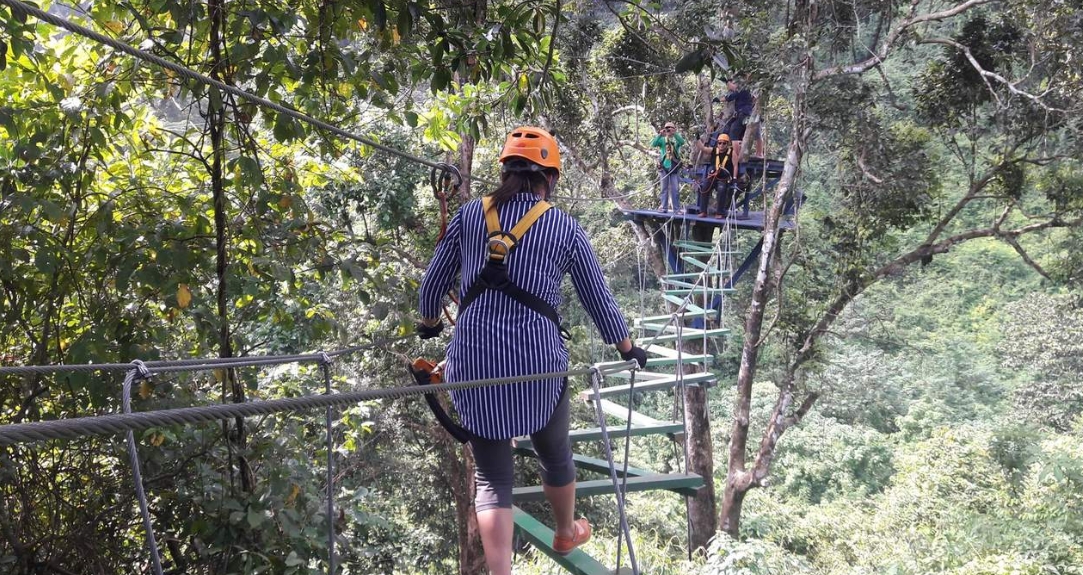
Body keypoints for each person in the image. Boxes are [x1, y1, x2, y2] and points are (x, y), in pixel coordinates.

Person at [417, 126, 648, 575]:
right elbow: (597, 297)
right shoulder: (565, 227)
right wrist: (627, 346)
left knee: (492, 479)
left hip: (473, 362)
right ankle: (566, 532)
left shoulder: (468, 216)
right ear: (551, 178)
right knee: (555, 453)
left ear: (504, 170)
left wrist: (428, 323)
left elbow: (432, 286)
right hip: (538, 365)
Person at [696, 133, 738, 217]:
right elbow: (702, 148)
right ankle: (703, 211)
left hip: (723, 178)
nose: (721, 145)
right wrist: (697, 139)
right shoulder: (714, 150)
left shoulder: (732, 153)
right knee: (704, 187)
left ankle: (719, 212)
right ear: (717, 143)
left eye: (724, 143)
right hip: (713, 176)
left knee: (721, 190)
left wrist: (734, 178)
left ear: (727, 144)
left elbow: (735, 165)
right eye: (720, 143)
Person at [649, 122, 686, 213]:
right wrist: (660, 135)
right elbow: (653, 144)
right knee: (664, 188)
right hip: (664, 167)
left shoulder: (676, 140)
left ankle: (676, 209)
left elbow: (682, 142)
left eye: (670, 128)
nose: (668, 129)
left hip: (674, 167)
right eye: (667, 128)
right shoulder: (662, 140)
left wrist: (675, 133)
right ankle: (664, 207)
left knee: (675, 189)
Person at [721, 77, 754, 142]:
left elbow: (729, 97)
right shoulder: (745, 90)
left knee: (733, 132)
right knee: (728, 127)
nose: (728, 87)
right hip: (745, 114)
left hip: (744, 114)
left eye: (728, 85)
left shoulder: (740, 89)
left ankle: (735, 150)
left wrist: (718, 100)